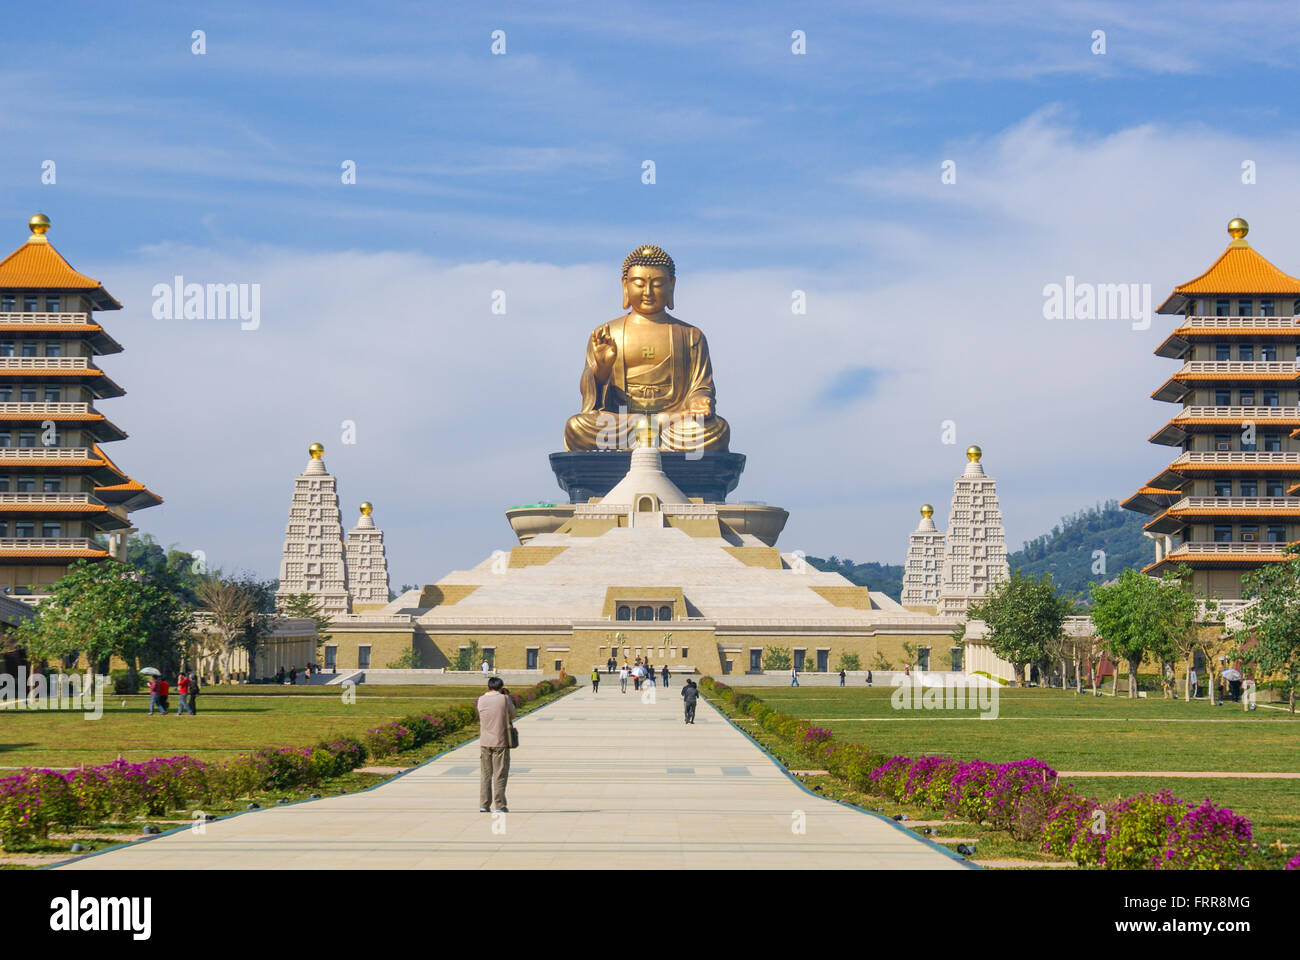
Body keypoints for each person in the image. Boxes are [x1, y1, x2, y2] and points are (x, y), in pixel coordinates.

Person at [475, 676, 516, 813]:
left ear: (488, 687)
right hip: (500, 740)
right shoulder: (504, 699)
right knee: (500, 773)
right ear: (501, 687)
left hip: (484, 741)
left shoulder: (481, 699)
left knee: (486, 774)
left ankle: (484, 804)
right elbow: (513, 714)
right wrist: (506, 696)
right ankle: (500, 805)